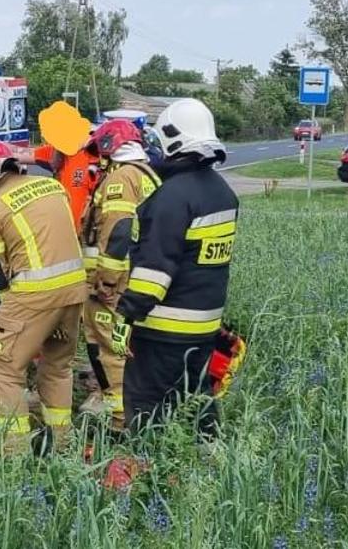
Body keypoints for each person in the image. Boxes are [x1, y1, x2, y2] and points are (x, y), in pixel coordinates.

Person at [114, 98, 236, 441]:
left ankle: (148, 472)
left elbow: (155, 271)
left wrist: (125, 317)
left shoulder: (170, 198)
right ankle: (208, 461)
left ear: (172, 140)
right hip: (204, 324)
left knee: (146, 402)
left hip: (163, 328)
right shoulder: (221, 192)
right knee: (197, 397)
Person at [0, 139, 87, 457]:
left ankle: (13, 451)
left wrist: (7, 305)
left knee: (3, 367)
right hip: (75, 289)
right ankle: (61, 443)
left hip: (33, 295)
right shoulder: (51, 187)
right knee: (58, 367)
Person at [78, 119, 160, 430]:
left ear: (110, 148)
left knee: (109, 349)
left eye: (99, 151)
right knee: (129, 346)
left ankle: (119, 420)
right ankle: (136, 409)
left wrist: (107, 280)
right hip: (140, 276)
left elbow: (117, 229)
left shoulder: (120, 179)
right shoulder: (146, 174)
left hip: (113, 284)